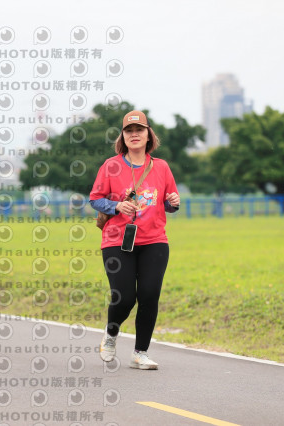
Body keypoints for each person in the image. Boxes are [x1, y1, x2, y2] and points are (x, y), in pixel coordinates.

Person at [89, 110, 180, 370]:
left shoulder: (161, 167)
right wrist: (116, 206)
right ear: (123, 137)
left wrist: (173, 202)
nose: (134, 134)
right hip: (117, 240)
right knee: (125, 297)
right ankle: (111, 334)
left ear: (149, 135)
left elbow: (169, 203)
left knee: (149, 295)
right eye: (129, 131)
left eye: (139, 130)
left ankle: (140, 353)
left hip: (154, 240)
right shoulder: (111, 166)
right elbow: (95, 199)